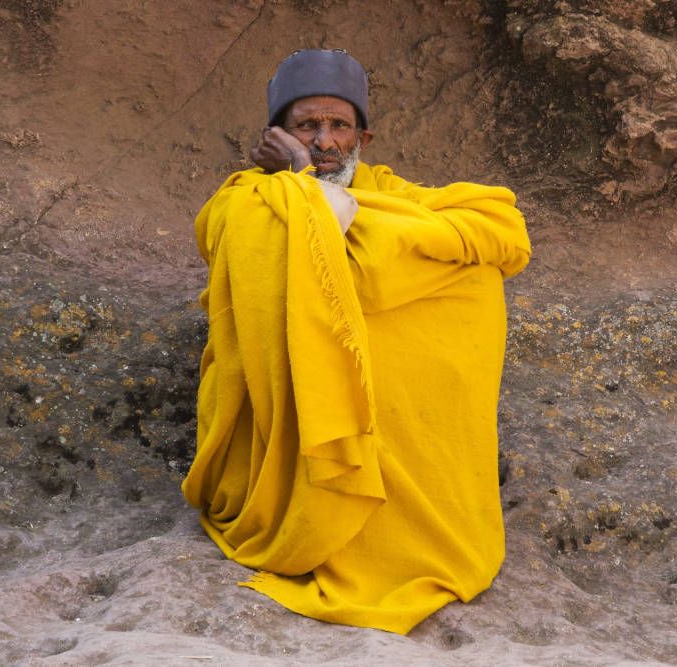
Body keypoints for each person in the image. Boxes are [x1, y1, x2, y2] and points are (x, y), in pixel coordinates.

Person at [181, 48, 531, 635]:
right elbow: (288, 241)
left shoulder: (389, 193)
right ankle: (333, 524)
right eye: (306, 127)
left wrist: (317, 193)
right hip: (294, 442)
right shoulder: (245, 201)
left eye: (338, 126)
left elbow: (501, 231)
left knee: (471, 275)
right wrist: (297, 184)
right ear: (276, 135)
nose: (324, 141)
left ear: (362, 135)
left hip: (405, 423)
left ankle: (410, 534)